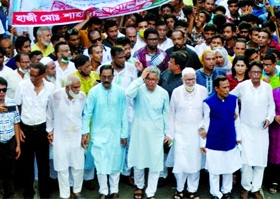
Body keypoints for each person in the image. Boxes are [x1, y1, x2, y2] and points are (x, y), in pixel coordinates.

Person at [82, 64, 129, 199]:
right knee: (101, 162)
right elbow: (87, 113)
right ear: (100, 77)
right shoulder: (94, 92)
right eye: (104, 77)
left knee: (115, 161)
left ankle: (114, 191)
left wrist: (124, 133)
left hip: (116, 133)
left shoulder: (120, 91)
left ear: (113, 77)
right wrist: (85, 132)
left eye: (109, 77)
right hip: (98, 134)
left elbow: (124, 113)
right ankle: (103, 191)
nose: (107, 80)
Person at [232, 61, 276, 198]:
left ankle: (256, 188)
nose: (256, 75)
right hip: (245, 128)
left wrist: (269, 118)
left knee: (260, 160)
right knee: (246, 161)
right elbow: (230, 98)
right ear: (249, 73)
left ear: (261, 73)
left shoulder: (267, 87)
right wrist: (234, 113)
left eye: (258, 72)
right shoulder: (243, 86)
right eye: (253, 72)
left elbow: (271, 106)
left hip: (262, 129)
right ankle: (245, 188)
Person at [125, 67, 170, 199]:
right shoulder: (139, 89)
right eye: (148, 79)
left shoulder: (163, 93)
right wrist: (140, 79)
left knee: (155, 163)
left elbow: (166, 114)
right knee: (139, 160)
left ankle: (151, 192)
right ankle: (139, 186)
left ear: (158, 80)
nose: (150, 82)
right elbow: (128, 93)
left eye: (153, 79)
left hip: (156, 132)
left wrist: (167, 133)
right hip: (139, 131)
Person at [13, 61, 53, 199]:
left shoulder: (51, 88)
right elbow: (17, 107)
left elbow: (51, 110)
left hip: (42, 129)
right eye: (31, 75)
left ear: (43, 75)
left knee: (44, 165)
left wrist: (50, 130)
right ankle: (28, 194)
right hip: (26, 129)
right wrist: (19, 129)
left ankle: (45, 194)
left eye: (35, 76)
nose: (32, 79)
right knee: (27, 166)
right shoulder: (22, 86)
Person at [167, 68, 207, 198]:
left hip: (196, 133)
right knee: (180, 161)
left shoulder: (202, 90)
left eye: (193, 79)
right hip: (180, 133)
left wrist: (202, 129)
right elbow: (171, 114)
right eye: (188, 80)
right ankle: (179, 189)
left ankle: (192, 190)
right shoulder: (176, 92)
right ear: (182, 80)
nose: (190, 82)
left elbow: (205, 114)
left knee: (194, 161)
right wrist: (170, 134)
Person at [47, 75, 85, 199]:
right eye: (75, 87)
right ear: (67, 87)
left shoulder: (82, 96)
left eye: (79, 87)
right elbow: (49, 115)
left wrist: (85, 133)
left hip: (77, 135)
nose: (78, 90)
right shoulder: (56, 95)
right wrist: (49, 131)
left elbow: (85, 115)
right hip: (60, 136)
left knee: (78, 166)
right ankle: (65, 195)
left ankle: (77, 191)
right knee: (62, 167)